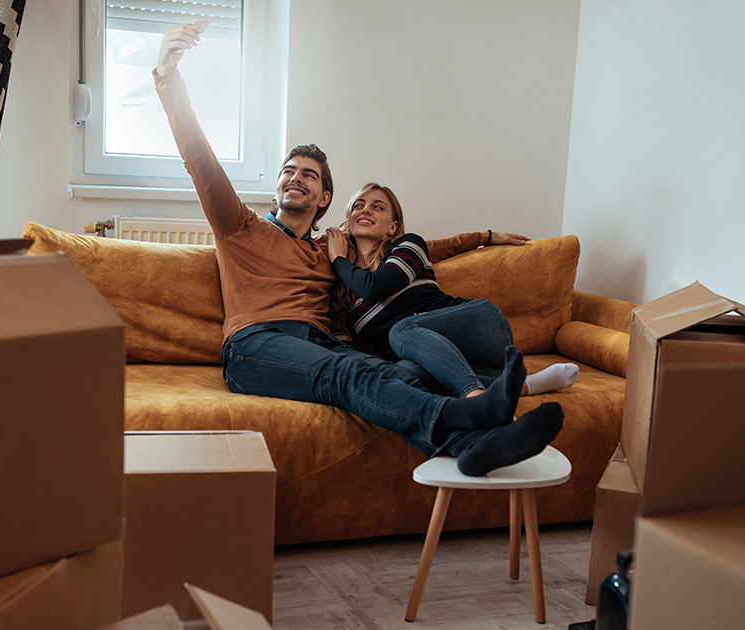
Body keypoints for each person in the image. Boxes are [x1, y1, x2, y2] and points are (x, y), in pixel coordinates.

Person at [151, 22, 564, 476]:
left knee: (404, 372)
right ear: (277, 188)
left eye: (309, 175)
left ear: (324, 198)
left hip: (320, 342)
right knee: (347, 376)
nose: (296, 178)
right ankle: (470, 417)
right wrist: (169, 76)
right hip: (257, 345)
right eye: (289, 171)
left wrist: (483, 237)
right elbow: (200, 161)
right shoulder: (240, 227)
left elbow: (412, 247)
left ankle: (473, 447)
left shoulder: (332, 249)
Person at [326, 183, 580, 399]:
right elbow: (353, 350)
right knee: (404, 375)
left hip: (479, 328)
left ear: (393, 227)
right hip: (447, 363)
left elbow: (376, 287)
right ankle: (524, 385)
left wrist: (338, 259)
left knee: (402, 329)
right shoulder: (346, 293)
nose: (366, 209)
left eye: (377, 206)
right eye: (358, 205)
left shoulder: (408, 245)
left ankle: (476, 400)